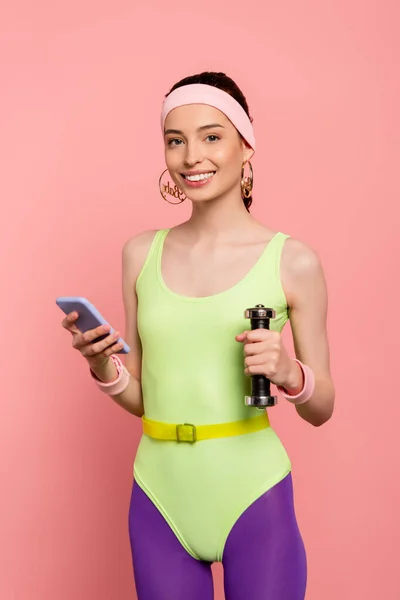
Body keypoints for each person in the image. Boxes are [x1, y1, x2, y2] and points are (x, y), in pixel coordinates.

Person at [61, 71, 335, 600]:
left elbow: (321, 405)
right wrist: (103, 368)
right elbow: (145, 397)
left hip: (252, 492)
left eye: (212, 136)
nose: (192, 156)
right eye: (175, 140)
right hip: (159, 495)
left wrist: (289, 372)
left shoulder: (292, 261)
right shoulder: (141, 254)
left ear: (246, 145)